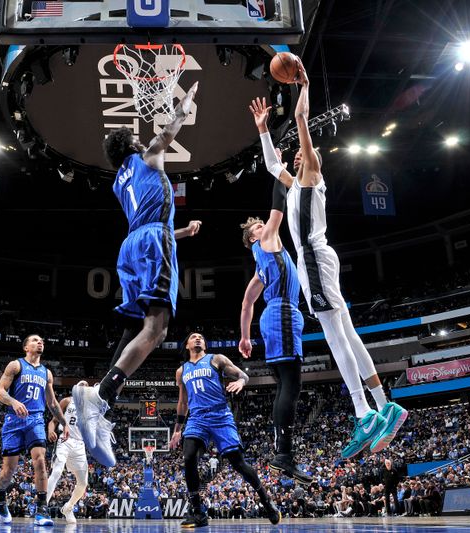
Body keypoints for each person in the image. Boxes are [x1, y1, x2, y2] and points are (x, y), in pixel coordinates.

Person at [249, 62, 407, 459]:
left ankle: (362, 413)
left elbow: (302, 117)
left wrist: (302, 85)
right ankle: (382, 404)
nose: (301, 157)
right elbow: (271, 166)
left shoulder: (312, 176)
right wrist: (264, 131)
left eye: (306, 154)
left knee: (336, 336)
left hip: (315, 261)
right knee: (347, 333)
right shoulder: (293, 184)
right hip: (317, 261)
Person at [73, 82, 201, 468]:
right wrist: (182, 109)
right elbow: (166, 135)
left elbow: (146, 220)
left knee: (133, 329)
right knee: (157, 328)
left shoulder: (119, 181)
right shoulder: (147, 158)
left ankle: (100, 400)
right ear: (132, 146)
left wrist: (179, 233)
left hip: (132, 246)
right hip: (151, 242)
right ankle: (100, 396)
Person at [238, 186, 311, 484]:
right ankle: (283, 454)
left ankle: (284, 452)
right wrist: (278, 172)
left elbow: (246, 304)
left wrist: (245, 337)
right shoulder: (266, 241)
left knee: (285, 384)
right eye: (259, 226)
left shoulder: (261, 267)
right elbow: (277, 207)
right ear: (255, 237)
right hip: (282, 313)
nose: (264, 226)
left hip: (274, 316)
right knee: (291, 384)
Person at [170, 332, 281, 527]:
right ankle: (197, 512)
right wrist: (177, 429)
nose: (198, 338)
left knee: (238, 463)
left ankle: (265, 500)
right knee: (188, 457)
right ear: (186, 345)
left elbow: (243, 374)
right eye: (193, 337)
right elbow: (183, 401)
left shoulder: (216, 359)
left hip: (220, 415)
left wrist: (240, 382)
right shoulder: (182, 371)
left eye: (201, 337)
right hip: (197, 418)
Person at [0, 334, 69, 526]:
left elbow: (52, 403)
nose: (40, 342)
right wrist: (13, 401)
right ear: (26, 347)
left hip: (35, 420)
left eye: (42, 340)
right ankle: (0, 498)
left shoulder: (47, 373)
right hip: (14, 421)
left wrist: (64, 423)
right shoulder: (15, 365)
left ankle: (41, 510)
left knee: (41, 461)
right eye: (35, 340)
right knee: (8, 471)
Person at [45, 381, 89, 524]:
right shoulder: (67, 401)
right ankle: (42, 506)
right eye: (80, 386)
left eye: (85, 387)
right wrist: (51, 430)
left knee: (83, 483)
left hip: (80, 445)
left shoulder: (90, 407)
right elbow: (52, 421)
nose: (83, 388)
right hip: (65, 440)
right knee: (57, 471)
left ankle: (68, 507)